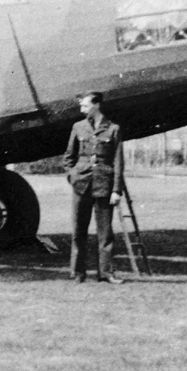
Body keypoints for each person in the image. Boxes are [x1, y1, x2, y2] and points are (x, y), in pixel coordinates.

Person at [64, 91, 125, 284]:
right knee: (78, 231)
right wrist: (72, 176)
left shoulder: (113, 129)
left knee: (105, 234)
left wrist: (116, 190)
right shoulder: (78, 127)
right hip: (81, 186)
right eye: (81, 106)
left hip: (104, 187)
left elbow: (118, 162)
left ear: (97, 105)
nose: (82, 110)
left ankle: (105, 273)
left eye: (85, 106)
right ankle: (77, 273)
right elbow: (69, 157)